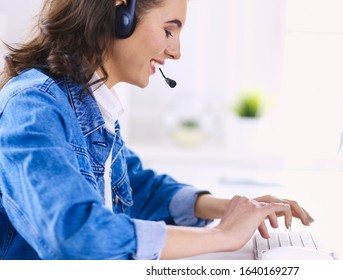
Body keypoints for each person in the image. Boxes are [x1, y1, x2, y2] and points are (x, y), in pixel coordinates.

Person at [0, 0, 314, 260]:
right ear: (120, 14)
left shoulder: (88, 105)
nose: (176, 51)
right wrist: (224, 235)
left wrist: (230, 208)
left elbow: (137, 189)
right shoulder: (34, 106)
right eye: (168, 30)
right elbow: (76, 233)